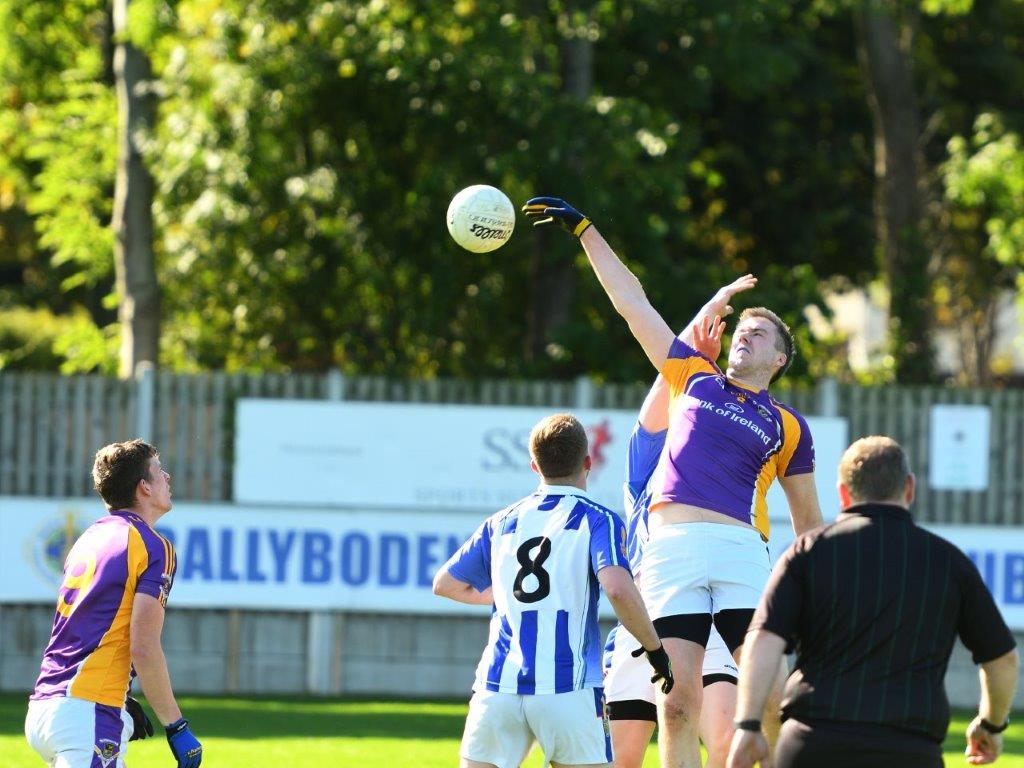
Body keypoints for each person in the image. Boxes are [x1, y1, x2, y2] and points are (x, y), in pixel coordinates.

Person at [524, 197, 823, 768]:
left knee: (767, 703)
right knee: (678, 704)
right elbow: (631, 302)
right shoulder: (693, 377)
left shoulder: (788, 426)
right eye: (741, 327)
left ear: (779, 359)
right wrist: (586, 231)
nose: (744, 334)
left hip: (741, 553)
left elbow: (809, 526)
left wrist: (817, 598)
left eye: (759, 333)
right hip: (673, 552)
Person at [727, 436, 1020, 768]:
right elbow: (1003, 660)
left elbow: (764, 639)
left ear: (842, 493)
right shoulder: (949, 562)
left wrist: (748, 724)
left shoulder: (806, 553)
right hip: (909, 750)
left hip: (813, 743)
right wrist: (991, 723)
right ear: (909, 488)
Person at [433, 413, 674, 768]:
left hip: (498, 687)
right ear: (588, 463)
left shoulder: (501, 522)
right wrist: (655, 650)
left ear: (534, 466)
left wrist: (498, 595)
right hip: (569, 687)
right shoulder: (598, 519)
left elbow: (446, 584)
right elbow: (618, 589)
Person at [604, 317, 783, 768]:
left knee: (723, 736)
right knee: (621, 755)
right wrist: (695, 352)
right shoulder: (648, 457)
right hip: (651, 603)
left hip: (713, 596)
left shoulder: (730, 465)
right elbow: (669, 374)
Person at [25, 440, 202, 768]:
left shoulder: (88, 539)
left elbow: (93, 627)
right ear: (144, 487)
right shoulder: (153, 546)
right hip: (87, 714)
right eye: (158, 470)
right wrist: (177, 727)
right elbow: (144, 646)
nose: (167, 476)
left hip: (47, 707)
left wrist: (120, 693)